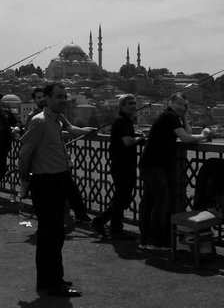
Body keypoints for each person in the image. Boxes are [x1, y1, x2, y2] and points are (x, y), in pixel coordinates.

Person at [18, 83, 93, 296]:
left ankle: (49, 280)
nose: (63, 100)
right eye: (59, 96)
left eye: (65, 96)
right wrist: (25, 182)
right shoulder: (39, 122)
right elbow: (24, 154)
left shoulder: (56, 119)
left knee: (52, 234)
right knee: (51, 236)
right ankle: (52, 283)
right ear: (48, 99)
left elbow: (70, 129)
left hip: (58, 179)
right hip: (45, 182)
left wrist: (87, 130)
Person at [138, 92, 212, 250]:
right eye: (178, 103)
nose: (181, 107)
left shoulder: (171, 117)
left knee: (150, 202)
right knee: (161, 203)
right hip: (154, 166)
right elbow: (186, 138)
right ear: (170, 102)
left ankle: (145, 240)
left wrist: (184, 116)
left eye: (184, 105)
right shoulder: (169, 117)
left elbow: (186, 131)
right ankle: (156, 242)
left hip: (150, 164)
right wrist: (204, 136)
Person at [91, 94, 146, 239]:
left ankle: (110, 225)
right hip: (122, 165)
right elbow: (127, 142)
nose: (133, 106)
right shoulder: (123, 121)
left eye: (134, 103)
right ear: (122, 106)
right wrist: (141, 138)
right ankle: (108, 225)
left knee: (122, 197)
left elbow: (125, 137)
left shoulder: (123, 120)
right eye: (129, 104)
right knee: (122, 198)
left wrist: (135, 135)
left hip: (122, 164)